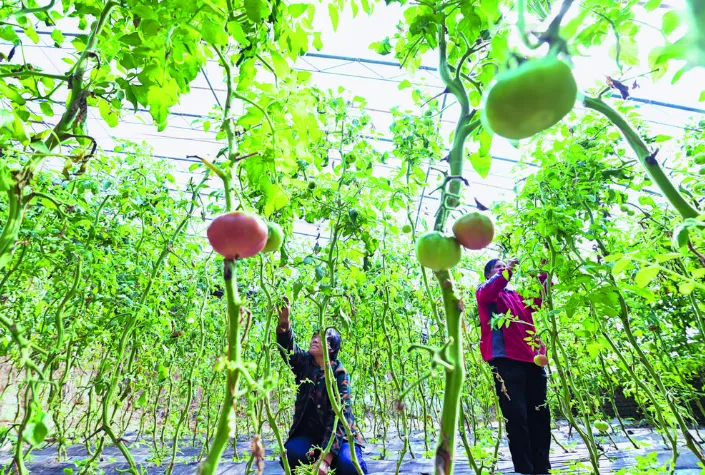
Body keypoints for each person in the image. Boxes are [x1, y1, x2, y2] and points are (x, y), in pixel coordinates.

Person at [475, 258, 551, 475]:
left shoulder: (517, 295)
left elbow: (539, 300)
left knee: (540, 414)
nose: (504, 269)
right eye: (498, 267)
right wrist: (507, 270)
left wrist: (543, 273)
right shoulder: (485, 291)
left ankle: (542, 469)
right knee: (516, 417)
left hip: (533, 360)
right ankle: (525, 470)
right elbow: (490, 290)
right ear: (488, 275)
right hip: (505, 361)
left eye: (504, 266)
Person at [276, 297, 368, 475]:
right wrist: (284, 322)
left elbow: (340, 417)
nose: (315, 340)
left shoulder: (339, 373)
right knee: (291, 453)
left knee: (349, 465)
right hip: (310, 437)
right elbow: (287, 349)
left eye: (322, 338)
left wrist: (326, 458)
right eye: (314, 336)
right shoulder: (304, 364)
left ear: (332, 348)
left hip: (339, 439)